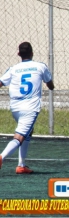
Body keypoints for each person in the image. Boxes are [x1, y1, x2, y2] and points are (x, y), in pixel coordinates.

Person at [0, 42, 54, 174]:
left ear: (19, 54)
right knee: (19, 137)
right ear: (32, 53)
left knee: (27, 133)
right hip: (30, 108)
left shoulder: (13, 69)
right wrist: (50, 86)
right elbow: (50, 85)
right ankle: (2, 157)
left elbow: (0, 83)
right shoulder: (40, 66)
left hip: (15, 108)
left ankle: (21, 165)